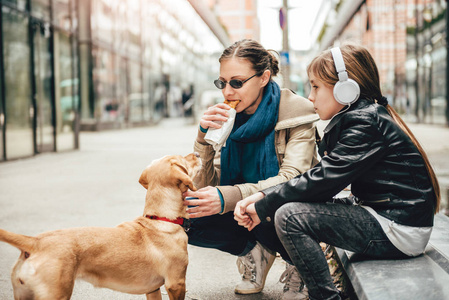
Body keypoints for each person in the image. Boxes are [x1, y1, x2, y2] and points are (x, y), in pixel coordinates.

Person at [234, 43, 441, 300]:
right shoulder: (362, 117)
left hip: (398, 228)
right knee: (287, 207)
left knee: (290, 216)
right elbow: (320, 179)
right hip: (390, 219)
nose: (310, 96)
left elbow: (324, 179)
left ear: (346, 89)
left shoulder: (365, 121)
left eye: (316, 86)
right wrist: (265, 200)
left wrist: (265, 200)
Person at [183, 39, 320, 299]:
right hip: (246, 209)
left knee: (279, 207)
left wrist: (230, 197)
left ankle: (298, 264)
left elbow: (293, 179)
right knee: (184, 213)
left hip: (284, 206)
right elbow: (204, 185)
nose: (227, 92)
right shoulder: (227, 119)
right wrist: (204, 140)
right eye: (221, 82)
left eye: (237, 82)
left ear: (264, 77)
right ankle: (254, 251)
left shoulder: (295, 113)